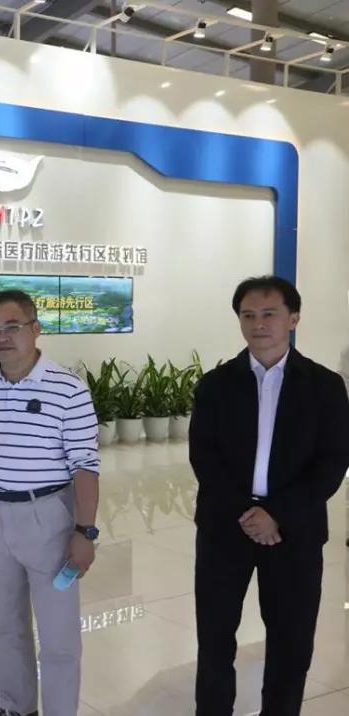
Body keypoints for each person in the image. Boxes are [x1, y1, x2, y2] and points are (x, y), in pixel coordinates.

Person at [190, 275, 349, 715]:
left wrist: (276, 514)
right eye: (248, 315)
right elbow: (204, 457)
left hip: (294, 532)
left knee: (291, 641)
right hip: (225, 528)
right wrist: (248, 514)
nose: (258, 324)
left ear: (293, 319)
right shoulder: (216, 384)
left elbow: (333, 461)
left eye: (269, 314)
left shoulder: (324, 386)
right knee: (215, 638)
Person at [0, 289, 100, 716]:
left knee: (58, 634)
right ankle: (15, 706)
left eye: (11, 327)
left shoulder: (68, 389)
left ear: (36, 329)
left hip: (48, 517)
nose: (1, 337)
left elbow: (85, 466)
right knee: (2, 623)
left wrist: (85, 532)